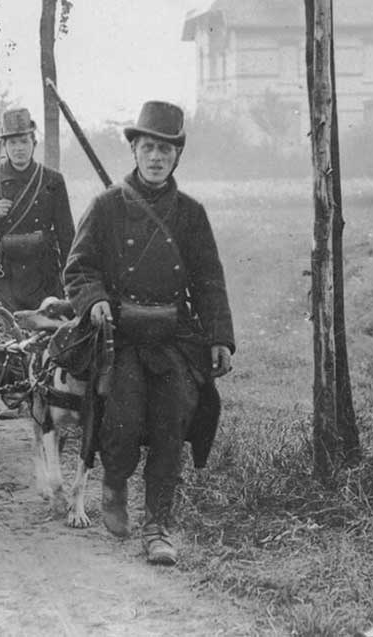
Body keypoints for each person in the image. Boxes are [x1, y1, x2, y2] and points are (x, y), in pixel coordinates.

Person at [63, 101, 235, 566]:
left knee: (172, 421)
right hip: (123, 337)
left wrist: (219, 336)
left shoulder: (191, 214)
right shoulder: (105, 207)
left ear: (177, 156)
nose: (156, 157)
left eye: (165, 149)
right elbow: (79, 268)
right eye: (148, 147)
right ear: (134, 150)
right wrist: (94, 298)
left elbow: (208, 279)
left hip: (176, 336)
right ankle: (115, 483)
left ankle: (158, 526)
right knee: (123, 414)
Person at [0, 108, 74, 311]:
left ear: (34, 143)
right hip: (2, 274)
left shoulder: (52, 179)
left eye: (24, 141)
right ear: (4, 146)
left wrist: (71, 278)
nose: (19, 148)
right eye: (12, 142)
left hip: (43, 272)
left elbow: (66, 233)